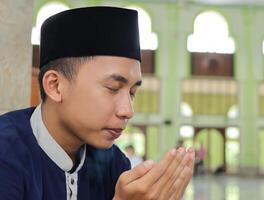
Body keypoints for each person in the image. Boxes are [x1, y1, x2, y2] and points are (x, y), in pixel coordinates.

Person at [0, 6, 195, 200]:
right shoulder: (7, 153)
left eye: (132, 92)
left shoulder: (113, 162)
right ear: (56, 86)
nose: (128, 111)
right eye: (112, 88)